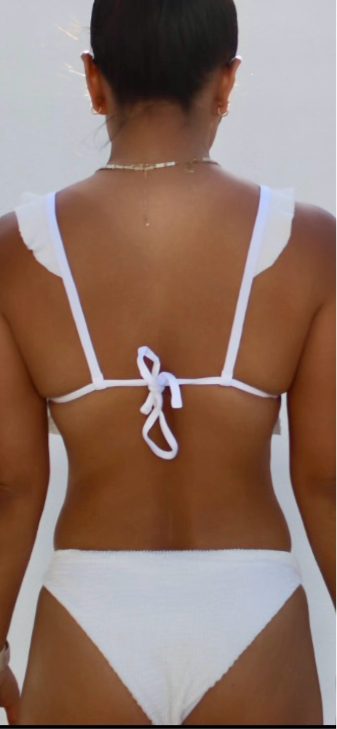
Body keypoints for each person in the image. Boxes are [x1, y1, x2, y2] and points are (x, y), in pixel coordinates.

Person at [0, 0, 336, 724]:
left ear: (93, 81)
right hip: (254, 610)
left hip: (88, 607)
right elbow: (326, 480)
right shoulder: (310, 244)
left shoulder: (16, 251)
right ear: (225, 84)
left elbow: (10, 484)